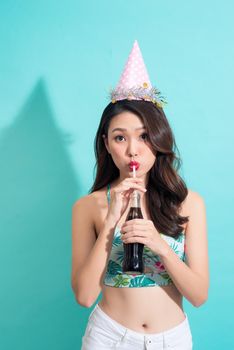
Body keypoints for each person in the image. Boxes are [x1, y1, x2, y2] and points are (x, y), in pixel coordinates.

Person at [71, 41, 209, 349]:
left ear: (158, 139)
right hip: (109, 337)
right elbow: (83, 297)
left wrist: (159, 245)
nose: (132, 149)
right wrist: (110, 222)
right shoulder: (88, 206)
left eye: (144, 136)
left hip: (171, 339)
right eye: (120, 137)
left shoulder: (187, 203)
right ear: (106, 143)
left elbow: (199, 295)